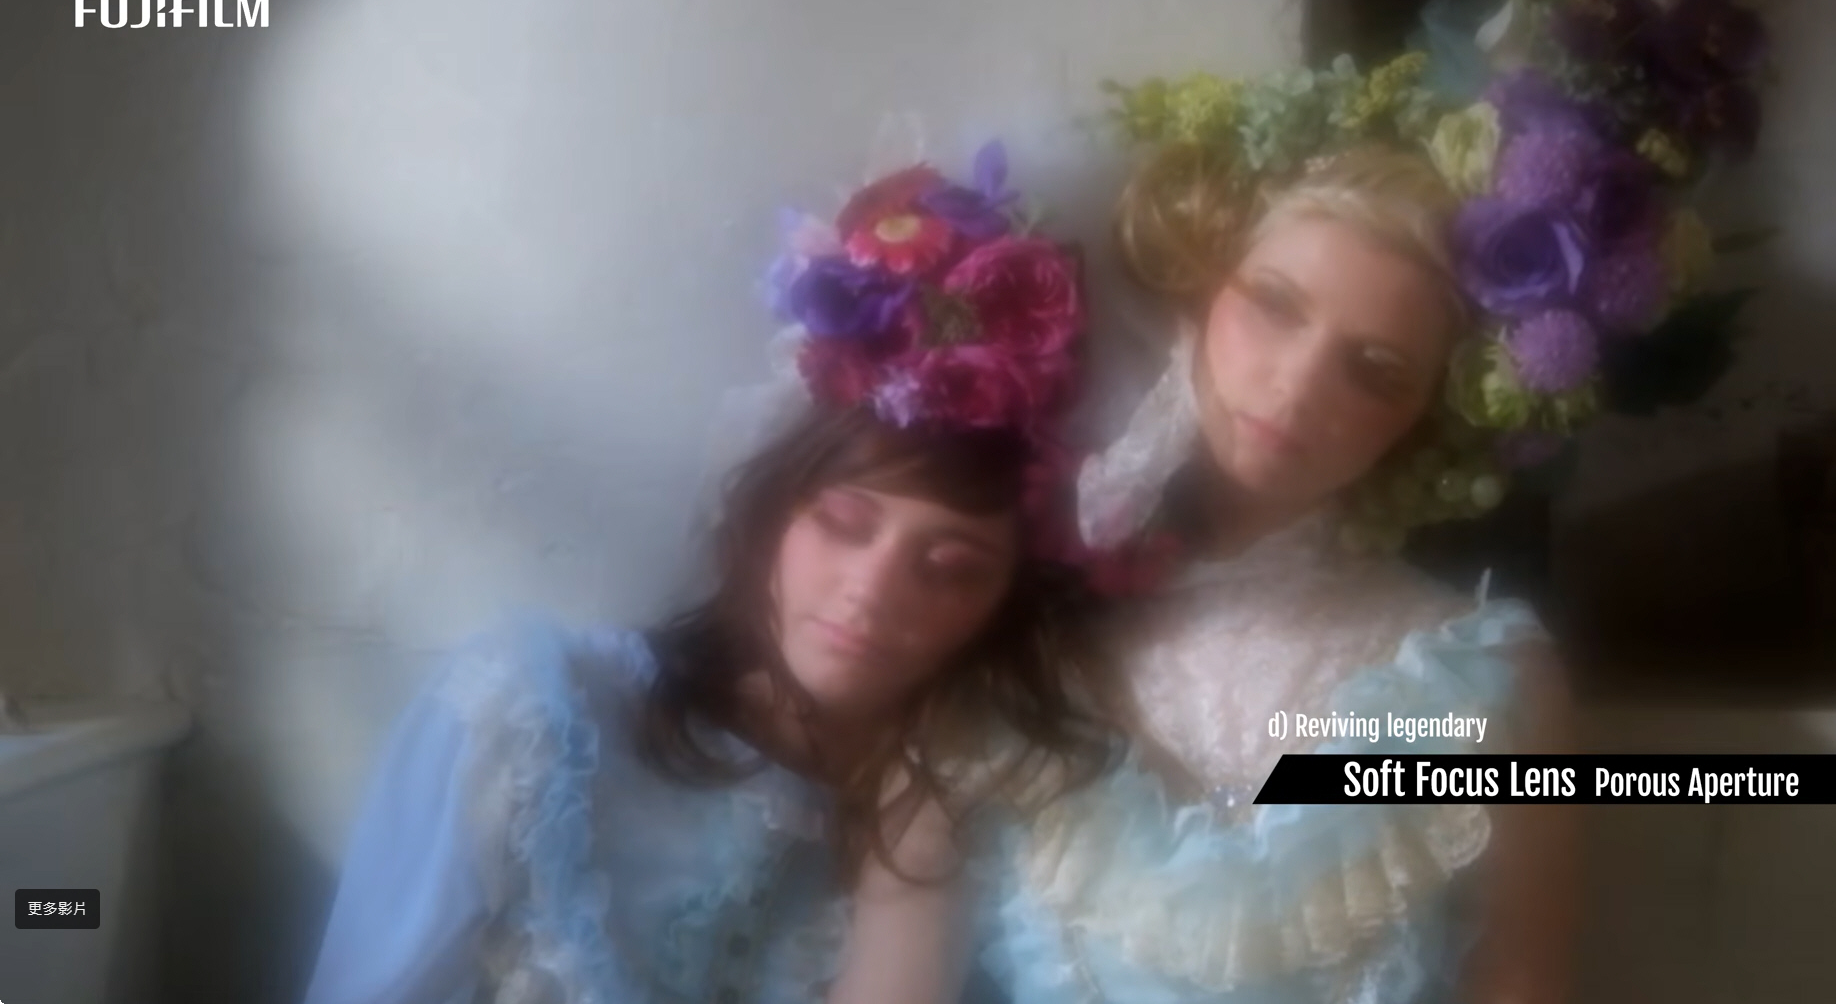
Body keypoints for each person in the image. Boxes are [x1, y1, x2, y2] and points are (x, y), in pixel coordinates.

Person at [298, 141, 1115, 1004]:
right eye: (841, 524)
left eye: (949, 567)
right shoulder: (531, 717)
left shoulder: (978, 839)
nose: (873, 589)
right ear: (770, 518)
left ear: (998, 605)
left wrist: (914, 862)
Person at [963, 130, 1587, 1003]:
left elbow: (1523, 982)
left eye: (1374, 371)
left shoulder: (1485, 675)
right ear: (1198, 296)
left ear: (1416, 419)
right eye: (1273, 304)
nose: (1297, 385)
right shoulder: (1000, 609)